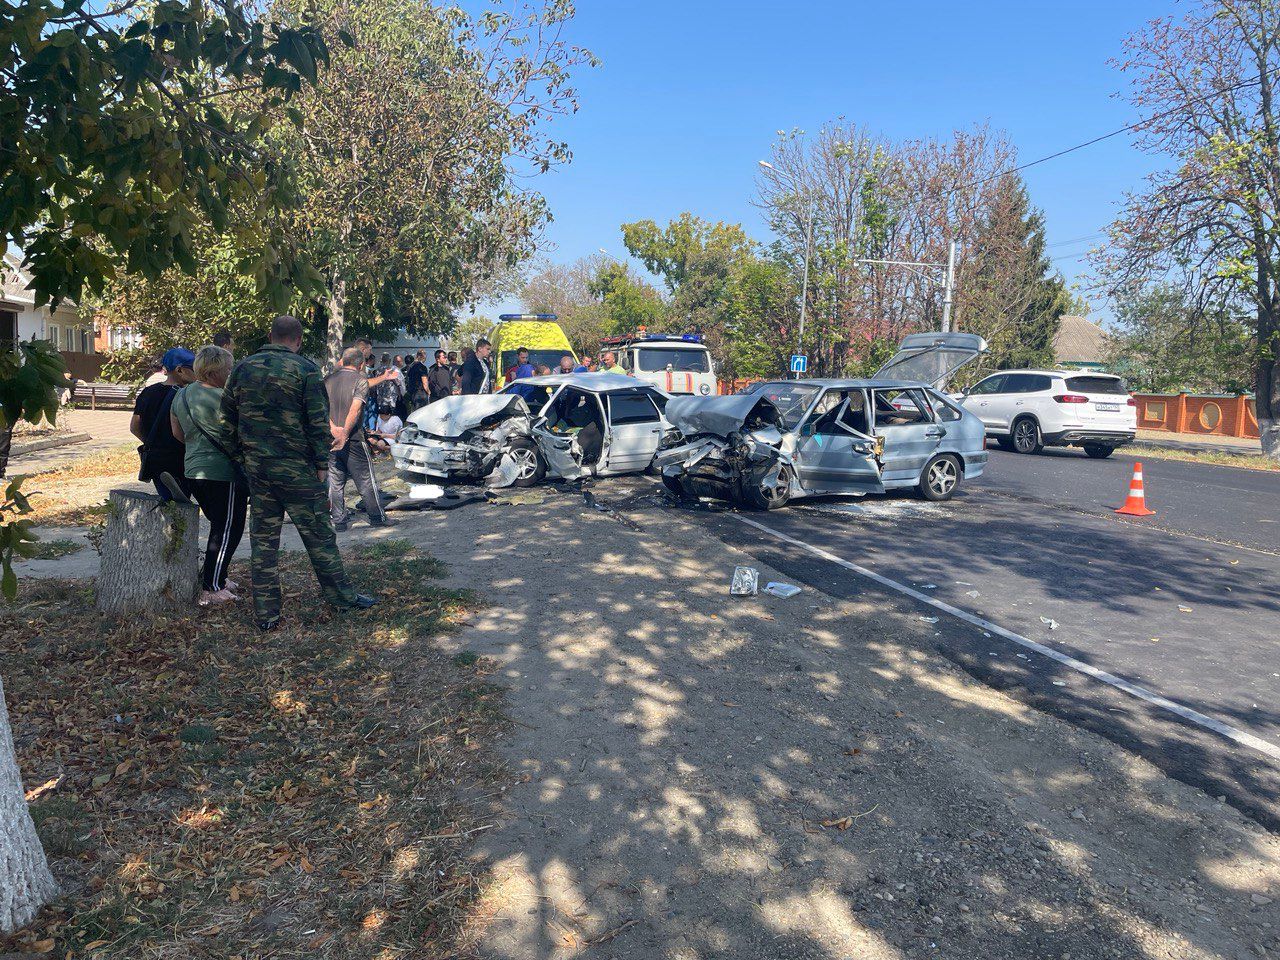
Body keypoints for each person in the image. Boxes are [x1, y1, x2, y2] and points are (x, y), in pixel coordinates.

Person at [222, 315, 376, 631]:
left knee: (263, 544)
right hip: (299, 472)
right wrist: (322, 465)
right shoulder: (305, 369)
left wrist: (243, 458)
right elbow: (318, 423)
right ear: (299, 339)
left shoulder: (242, 368)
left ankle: (266, 615)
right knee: (319, 536)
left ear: (269, 335)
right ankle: (342, 598)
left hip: (259, 471)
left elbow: (225, 418)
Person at [170, 345, 248, 606]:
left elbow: (177, 435)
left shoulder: (180, 396)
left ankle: (219, 576)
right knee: (226, 529)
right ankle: (211, 586)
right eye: (228, 368)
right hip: (222, 472)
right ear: (215, 372)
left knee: (222, 526)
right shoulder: (223, 398)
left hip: (193, 469)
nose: (231, 373)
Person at [324, 346, 390, 532]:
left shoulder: (327, 380)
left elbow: (320, 409)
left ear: (343, 361)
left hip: (331, 438)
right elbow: (356, 409)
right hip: (352, 438)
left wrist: (333, 430)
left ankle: (339, 521)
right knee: (365, 479)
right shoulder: (360, 380)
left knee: (335, 481)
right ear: (361, 364)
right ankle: (377, 517)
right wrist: (344, 434)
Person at [131, 347, 195, 500]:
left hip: (156, 457)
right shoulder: (187, 394)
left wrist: (152, 442)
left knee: (169, 503)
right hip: (181, 456)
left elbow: (134, 427)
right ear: (180, 370)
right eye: (193, 369)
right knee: (183, 503)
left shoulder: (148, 392)